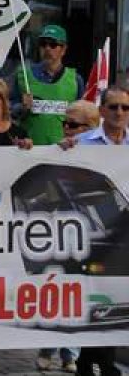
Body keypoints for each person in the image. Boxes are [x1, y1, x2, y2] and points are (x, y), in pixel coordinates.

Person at [68, 87, 129, 376]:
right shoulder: (81, 143)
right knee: (99, 297)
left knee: (118, 298)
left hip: (124, 237)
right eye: (114, 107)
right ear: (102, 111)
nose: (120, 113)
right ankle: (99, 361)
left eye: (125, 108)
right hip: (91, 235)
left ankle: (91, 361)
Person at [12, 25, 84, 145]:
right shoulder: (23, 75)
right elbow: (10, 110)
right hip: (29, 148)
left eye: (53, 44)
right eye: (43, 44)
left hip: (63, 150)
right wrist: (21, 107)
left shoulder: (76, 80)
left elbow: (82, 116)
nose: (47, 48)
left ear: (64, 49)